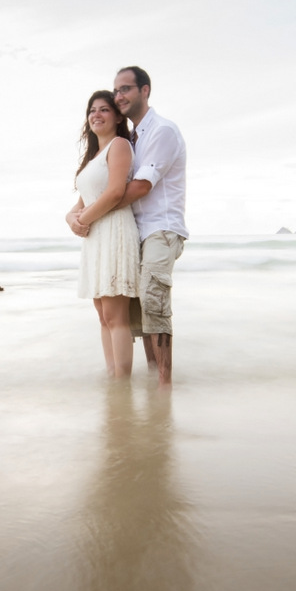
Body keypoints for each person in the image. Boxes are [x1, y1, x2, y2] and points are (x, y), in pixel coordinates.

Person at [68, 66, 187, 388]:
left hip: (159, 226)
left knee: (150, 299)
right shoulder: (130, 138)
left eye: (124, 91)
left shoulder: (159, 132)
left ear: (144, 90)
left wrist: (88, 216)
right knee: (120, 314)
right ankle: (140, 380)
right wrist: (74, 217)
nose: (119, 97)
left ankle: (163, 386)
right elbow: (92, 194)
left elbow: (134, 188)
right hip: (119, 229)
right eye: (115, 91)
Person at [71, 90, 141, 377]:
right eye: (92, 110)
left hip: (114, 232)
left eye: (104, 110)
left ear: (117, 116)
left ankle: (122, 383)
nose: (96, 115)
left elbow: (114, 193)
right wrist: (70, 218)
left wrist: (82, 219)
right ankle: (113, 380)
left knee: (116, 316)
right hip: (95, 237)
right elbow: (84, 199)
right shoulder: (93, 157)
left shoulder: (119, 145)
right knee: (103, 316)